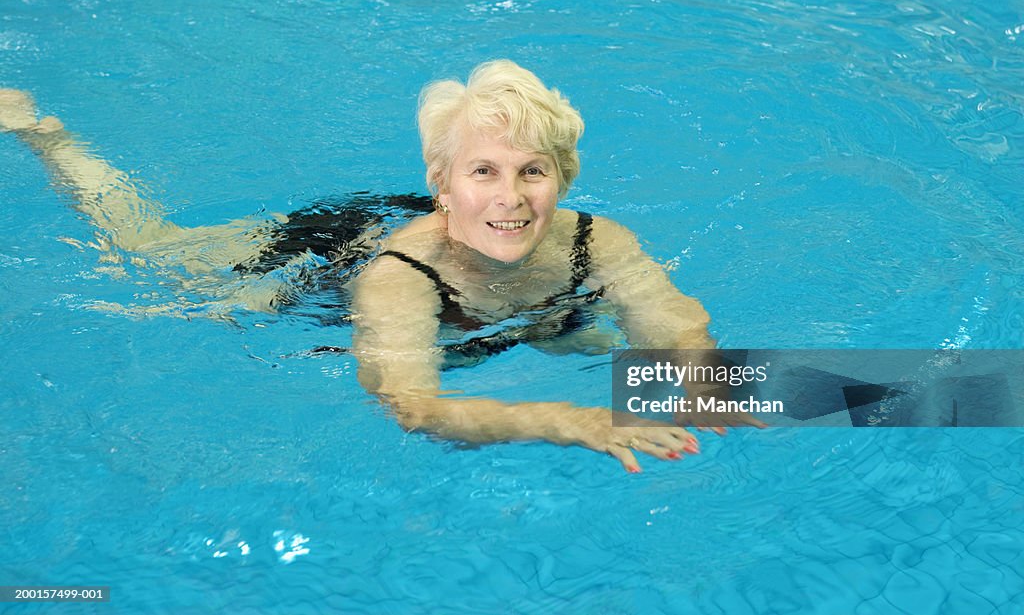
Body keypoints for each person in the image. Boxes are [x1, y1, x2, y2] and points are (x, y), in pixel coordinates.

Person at [1, 61, 757, 472]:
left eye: (534, 172)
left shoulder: (600, 239)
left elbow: (677, 324)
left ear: (563, 177)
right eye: (484, 172)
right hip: (332, 252)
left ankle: (546, 327)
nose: (514, 196)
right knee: (154, 253)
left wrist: (699, 377)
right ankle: (46, 134)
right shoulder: (395, 278)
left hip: (501, 296)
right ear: (444, 185)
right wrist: (561, 419)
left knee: (580, 335)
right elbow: (415, 407)